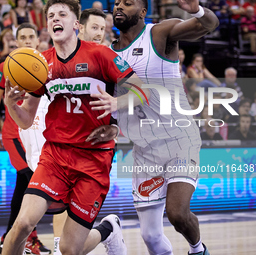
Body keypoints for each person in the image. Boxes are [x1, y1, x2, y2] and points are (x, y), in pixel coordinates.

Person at [1, 1, 147, 254]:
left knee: (69, 249)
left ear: (76, 24)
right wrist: (11, 105)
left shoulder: (100, 55)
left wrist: (116, 102)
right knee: (22, 223)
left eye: (62, 14)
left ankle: (107, 230)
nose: (55, 19)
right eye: (50, 16)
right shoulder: (41, 64)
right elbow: (26, 120)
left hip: (94, 158)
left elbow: (144, 91)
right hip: (55, 155)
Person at [94, 0, 219, 254]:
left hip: (179, 138)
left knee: (177, 213)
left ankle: (197, 250)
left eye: (127, 3)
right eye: (116, 3)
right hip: (144, 149)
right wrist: (115, 128)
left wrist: (196, 10)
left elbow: (209, 25)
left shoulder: (159, 34)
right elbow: (115, 103)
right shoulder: (108, 54)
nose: (119, 6)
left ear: (142, 12)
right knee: (150, 235)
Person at [0, 23, 51, 255]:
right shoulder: (5, 66)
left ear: (37, 40)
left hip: (37, 134)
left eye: (30, 36)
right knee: (30, 179)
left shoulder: (45, 64)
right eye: (21, 37)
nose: (26, 40)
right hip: (13, 133)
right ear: (15, 42)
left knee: (25, 184)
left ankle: (16, 237)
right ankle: (21, 237)